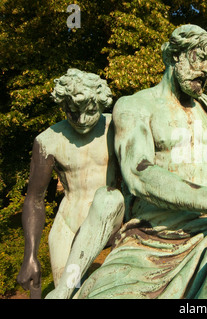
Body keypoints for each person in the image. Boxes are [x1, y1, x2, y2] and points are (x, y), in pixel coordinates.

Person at [75, 25, 207, 299]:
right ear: (173, 56)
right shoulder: (134, 106)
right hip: (150, 241)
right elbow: (139, 174)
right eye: (199, 58)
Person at [17, 69, 124, 298]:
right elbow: (35, 199)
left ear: (101, 102)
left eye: (91, 111)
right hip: (69, 222)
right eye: (73, 112)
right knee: (69, 290)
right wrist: (30, 255)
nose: (82, 120)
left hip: (112, 219)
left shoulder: (117, 128)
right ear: (63, 105)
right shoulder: (48, 140)